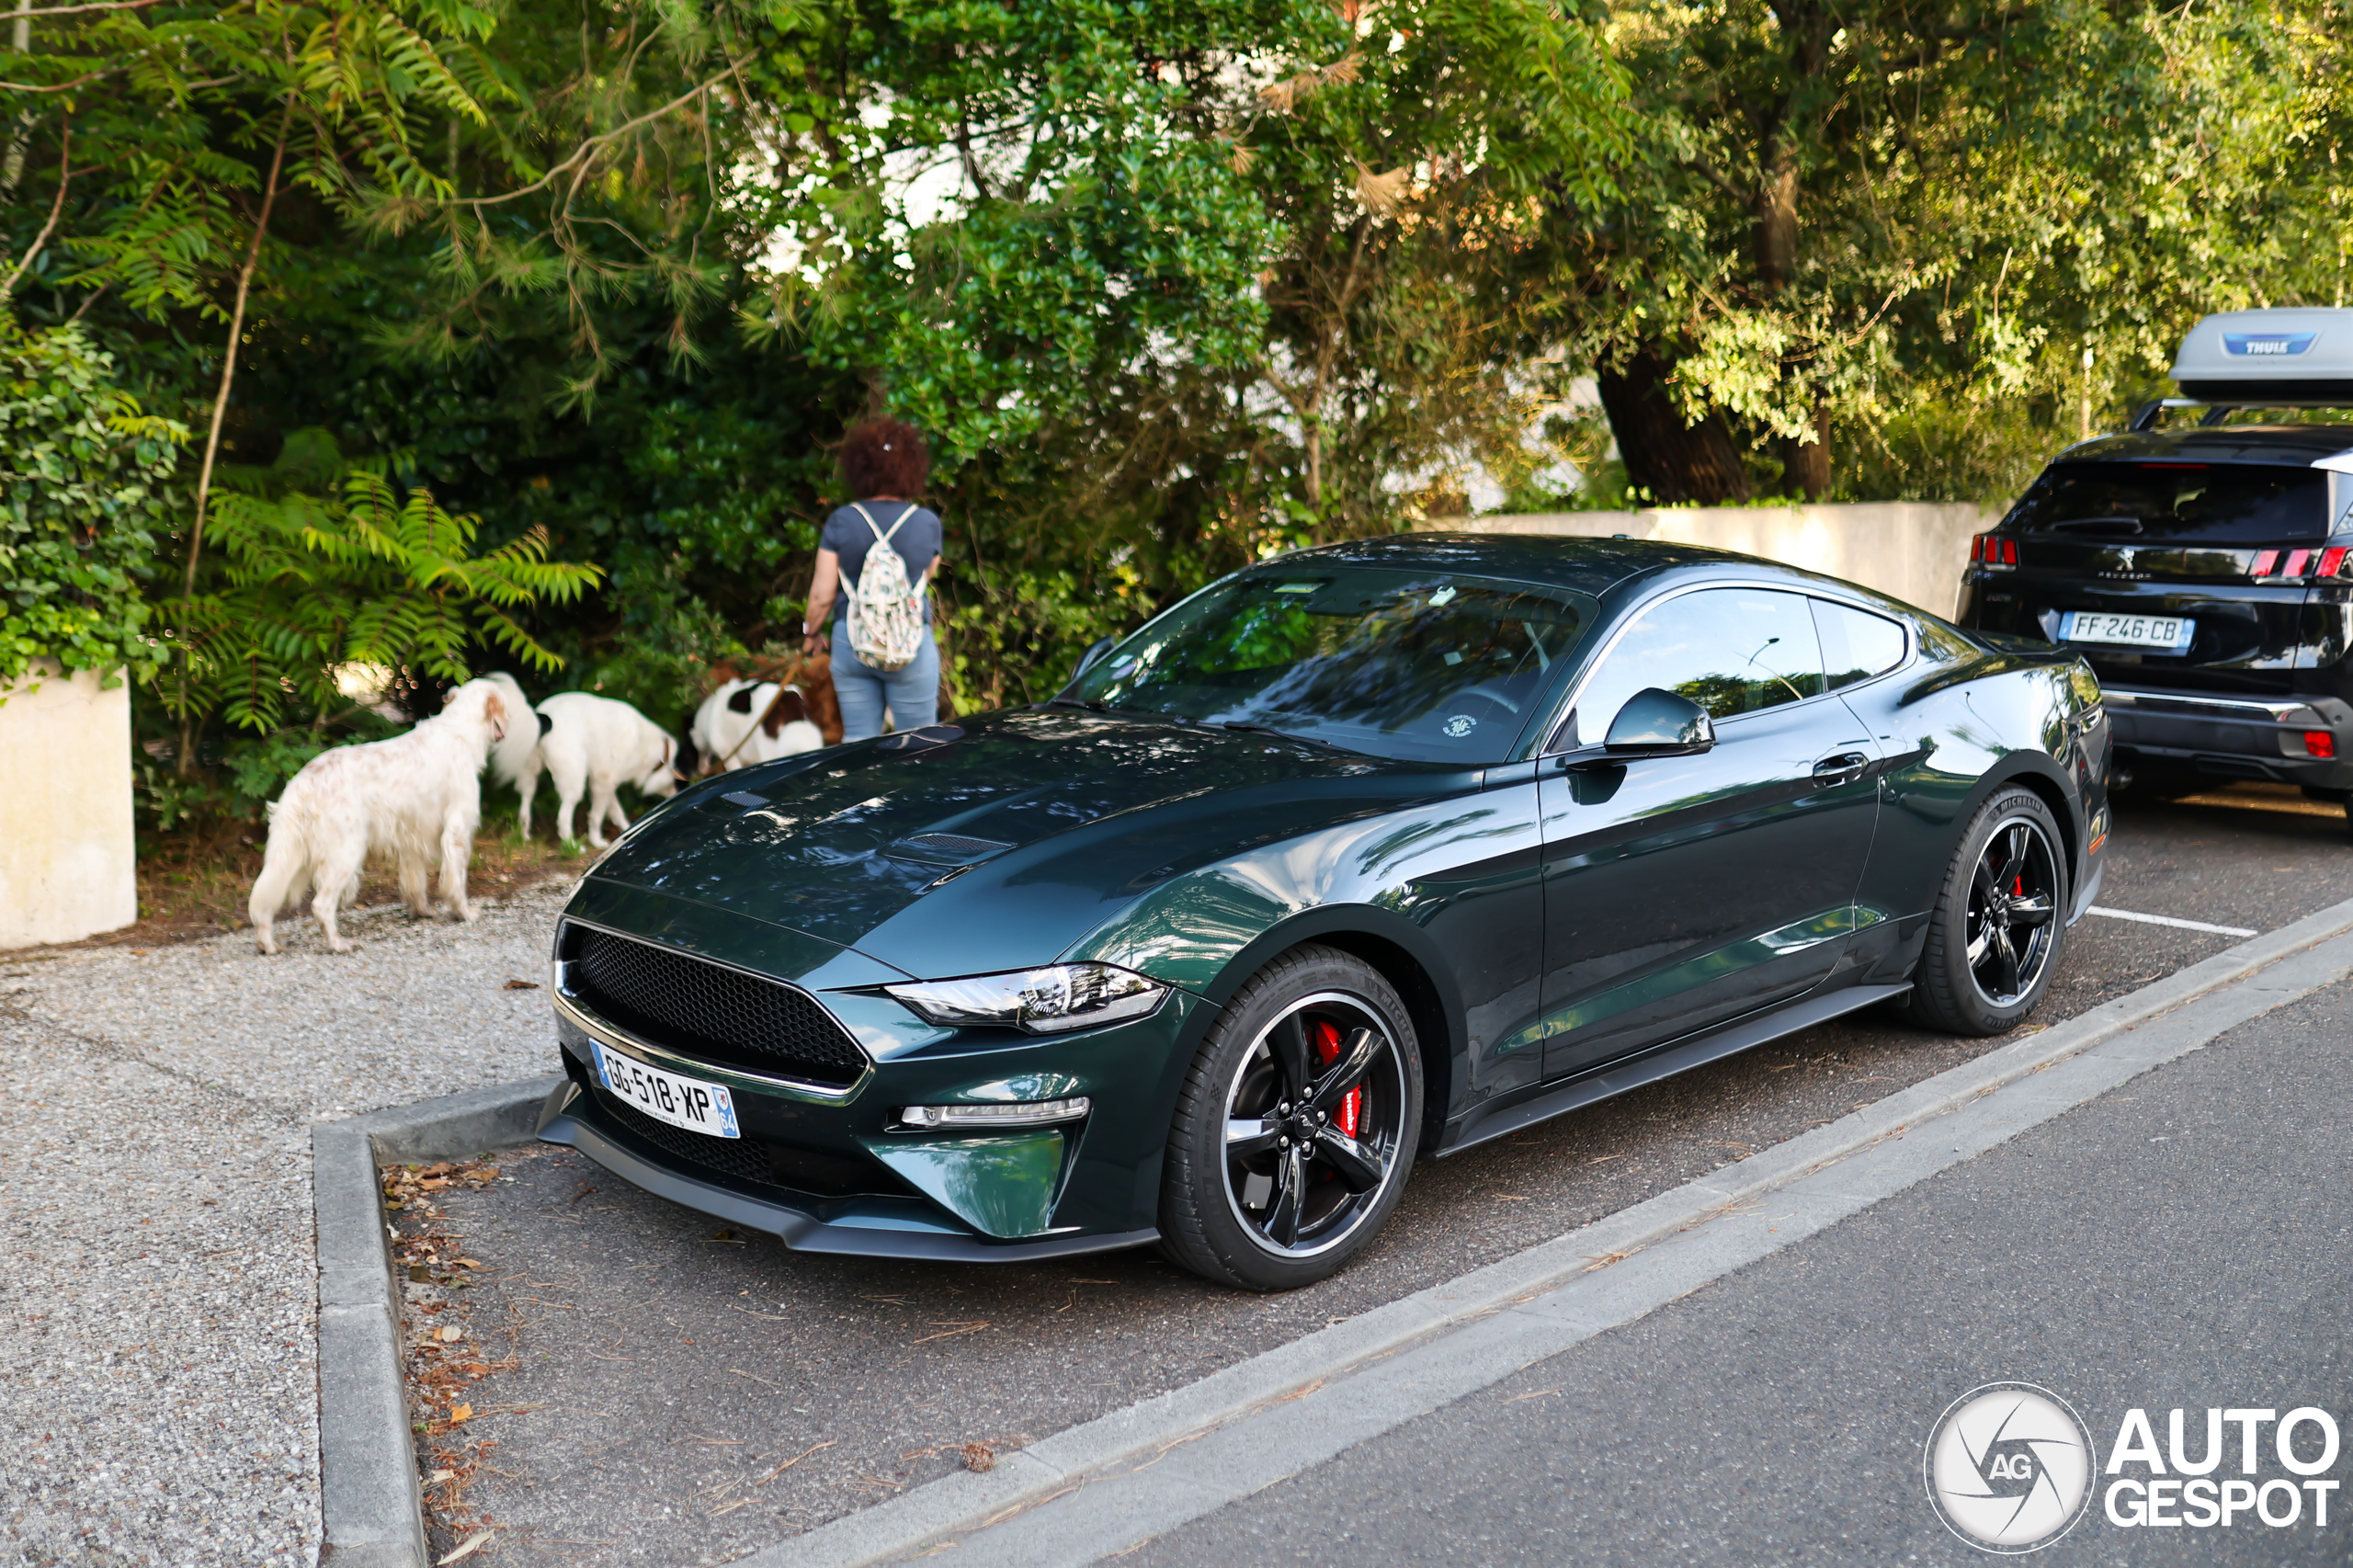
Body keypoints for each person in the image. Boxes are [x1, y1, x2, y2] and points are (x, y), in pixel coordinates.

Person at [801, 418, 944, 742]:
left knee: (858, 743)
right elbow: (924, 579)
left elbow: (822, 596)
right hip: (909, 645)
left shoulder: (841, 520)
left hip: (852, 642)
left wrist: (811, 633)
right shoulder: (927, 522)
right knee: (920, 744)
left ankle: (865, 793)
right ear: (913, 467)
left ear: (858, 468)